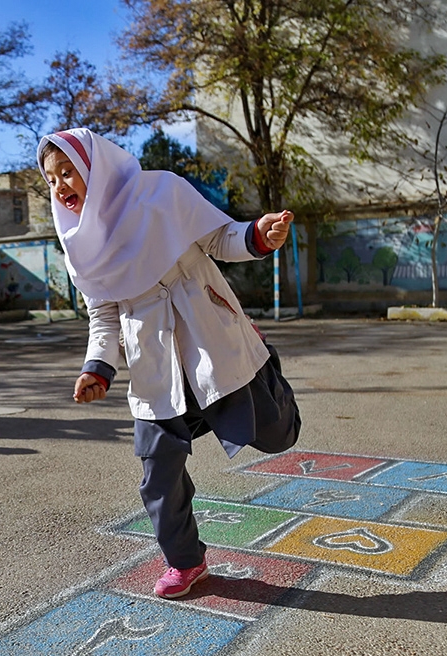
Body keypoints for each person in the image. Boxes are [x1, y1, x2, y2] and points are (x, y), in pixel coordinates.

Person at [39, 128, 301, 599]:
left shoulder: (161, 190)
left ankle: (268, 369)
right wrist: (96, 368)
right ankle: (186, 561)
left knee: (278, 435)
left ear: (96, 167)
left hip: (211, 342)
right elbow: (102, 316)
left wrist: (259, 235)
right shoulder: (80, 247)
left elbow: (221, 238)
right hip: (154, 369)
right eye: (51, 178)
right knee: (157, 472)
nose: (59, 186)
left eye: (67, 171)